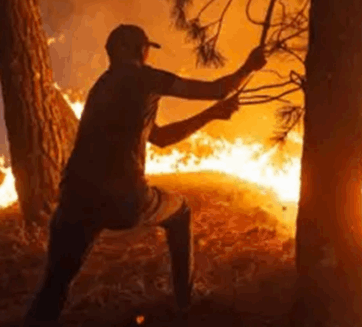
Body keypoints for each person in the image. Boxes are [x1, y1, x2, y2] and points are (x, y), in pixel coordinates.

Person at [25, 24, 267, 325]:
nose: (148, 53)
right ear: (134, 49)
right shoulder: (146, 79)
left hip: (75, 199)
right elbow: (216, 90)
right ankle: (185, 304)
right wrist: (248, 67)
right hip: (124, 200)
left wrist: (211, 115)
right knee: (182, 212)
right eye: (145, 47)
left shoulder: (100, 89)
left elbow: (161, 137)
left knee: (54, 286)